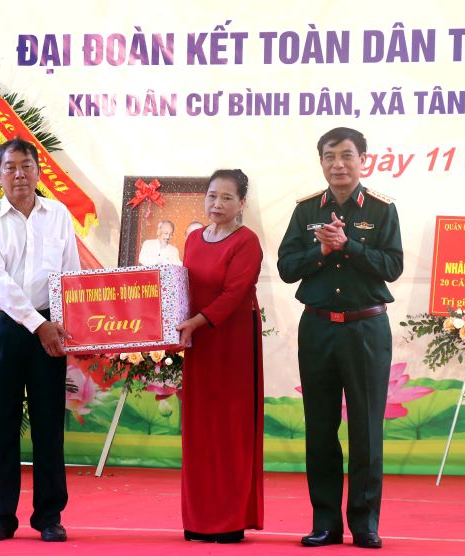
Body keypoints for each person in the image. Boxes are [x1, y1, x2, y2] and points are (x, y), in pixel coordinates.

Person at [277, 127, 403, 549]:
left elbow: (392, 266)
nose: (338, 165)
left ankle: (365, 524)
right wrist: (322, 251)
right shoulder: (306, 210)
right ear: (321, 162)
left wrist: (348, 246)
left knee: (366, 429)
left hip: (366, 328)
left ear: (363, 160)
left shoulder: (382, 210)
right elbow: (286, 267)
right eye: (330, 156)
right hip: (317, 329)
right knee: (320, 427)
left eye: (347, 156)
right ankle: (325, 523)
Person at [0, 137, 80, 543]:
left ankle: (49, 517)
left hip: (50, 330)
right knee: (2, 423)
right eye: (10, 167)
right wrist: (37, 324)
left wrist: (68, 326)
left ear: (38, 171)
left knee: (49, 424)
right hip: (4, 329)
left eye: (26, 166)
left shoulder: (59, 214)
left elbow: (70, 274)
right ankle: (2, 516)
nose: (19, 174)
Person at [175, 169, 264, 544]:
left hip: (233, 346)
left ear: (241, 203)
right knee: (199, 430)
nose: (217, 203)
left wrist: (195, 323)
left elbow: (234, 294)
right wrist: (171, 324)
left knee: (230, 430)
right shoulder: (194, 239)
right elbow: (182, 287)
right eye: (212, 196)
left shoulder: (247, 242)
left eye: (227, 197)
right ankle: (198, 519)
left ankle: (229, 520)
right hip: (199, 346)